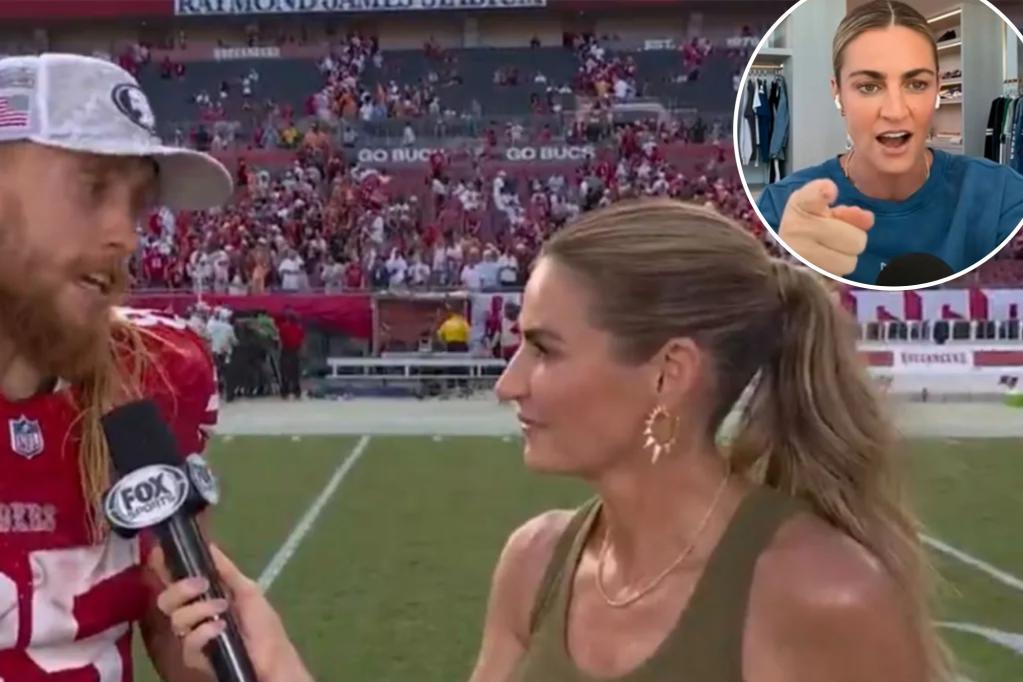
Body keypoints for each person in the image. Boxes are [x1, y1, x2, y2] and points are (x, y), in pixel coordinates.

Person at [153, 198, 952, 682]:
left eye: (546, 349)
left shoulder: (822, 594)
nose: (509, 383)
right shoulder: (535, 564)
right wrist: (274, 660)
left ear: (669, 373)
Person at [0, 53, 232, 678]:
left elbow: (179, 631)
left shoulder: (160, 373)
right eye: (93, 188)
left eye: (136, 205)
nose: (126, 236)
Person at [757, 0, 1023, 285]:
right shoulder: (782, 210)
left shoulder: (1004, 198)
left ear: (937, 88)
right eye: (869, 87)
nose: (895, 112)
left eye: (916, 84)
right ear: (838, 95)